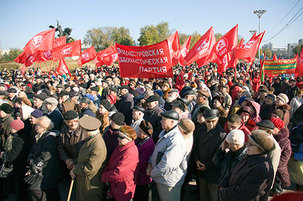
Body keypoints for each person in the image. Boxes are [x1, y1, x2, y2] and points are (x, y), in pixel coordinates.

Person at [219, 130, 275, 201]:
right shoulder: (250, 156)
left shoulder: (262, 168)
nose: (247, 145)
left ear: (260, 149)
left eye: (251, 144)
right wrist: (223, 185)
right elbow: (233, 172)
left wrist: (224, 192)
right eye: (248, 142)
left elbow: (244, 193)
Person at [148, 111, 187, 201]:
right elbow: (156, 150)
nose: (161, 121)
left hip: (168, 181)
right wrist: (150, 162)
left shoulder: (176, 140)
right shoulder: (164, 132)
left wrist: (153, 173)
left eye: (164, 120)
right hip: (161, 177)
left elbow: (169, 164)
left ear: (172, 122)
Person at [70, 115, 107, 201]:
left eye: (82, 129)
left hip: (90, 184)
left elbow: (90, 168)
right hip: (84, 182)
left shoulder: (98, 146)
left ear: (87, 131)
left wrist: (75, 169)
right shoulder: (91, 139)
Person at [25, 116, 61, 201]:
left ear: (43, 128)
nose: (35, 127)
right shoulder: (39, 136)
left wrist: (35, 165)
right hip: (40, 169)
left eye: (37, 125)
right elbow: (33, 150)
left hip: (46, 170)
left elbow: (46, 155)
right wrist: (30, 159)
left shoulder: (49, 138)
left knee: (36, 190)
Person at [194, 109, 226, 201]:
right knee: (203, 195)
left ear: (218, 119)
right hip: (201, 168)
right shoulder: (201, 130)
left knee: (213, 196)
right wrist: (197, 160)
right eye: (208, 121)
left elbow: (219, 155)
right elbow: (196, 147)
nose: (211, 124)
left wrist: (207, 166)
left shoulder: (222, 134)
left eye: (213, 121)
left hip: (213, 172)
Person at [101, 125, 139, 201]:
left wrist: (104, 176)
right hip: (115, 186)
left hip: (123, 188)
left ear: (129, 139)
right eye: (119, 136)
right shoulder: (120, 146)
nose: (118, 139)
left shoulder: (130, 152)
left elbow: (119, 173)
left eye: (122, 137)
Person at [0, 120, 27, 201]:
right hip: (12, 164)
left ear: (17, 128)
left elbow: (14, 154)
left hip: (17, 164)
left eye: (12, 127)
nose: (10, 129)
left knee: (16, 183)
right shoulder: (12, 136)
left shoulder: (21, 139)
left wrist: (3, 155)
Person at [134, 120, 155, 201]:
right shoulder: (139, 140)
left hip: (142, 178)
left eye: (140, 131)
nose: (138, 132)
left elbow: (142, 163)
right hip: (137, 175)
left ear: (145, 134)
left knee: (142, 196)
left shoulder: (148, 145)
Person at [270, 118, 292, 195]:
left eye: (273, 127)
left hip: (278, 170)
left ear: (278, 128)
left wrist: (276, 165)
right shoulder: (271, 137)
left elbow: (285, 157)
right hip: (271, 167)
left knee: (276, 191)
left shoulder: (285, 141)